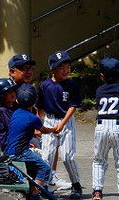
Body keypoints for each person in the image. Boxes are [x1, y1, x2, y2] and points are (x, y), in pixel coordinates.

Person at [36, 50, 83, 199]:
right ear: (52, 69)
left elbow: (73, 106)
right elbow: (40, 107)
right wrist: (38, 123)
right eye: (62, 68)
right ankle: (44, 187)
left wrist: (62, 123)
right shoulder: (45, 85)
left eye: (68, 67)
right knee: (47, 155)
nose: (66, 70)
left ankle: (76, 185)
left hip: (66, 122)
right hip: (50, 120)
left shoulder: (71, 84)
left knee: (67, 156)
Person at [91, 57, 119, 200]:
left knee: (99, 160)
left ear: (102, 76)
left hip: (101, 126)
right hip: (118, 126)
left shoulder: (99, 90)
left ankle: (97, 191)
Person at [5, 83, 59, 200]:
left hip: (10, 150)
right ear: (36, 100)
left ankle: (32, 191)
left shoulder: (16, 113)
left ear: (17, 101)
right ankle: (35, 196)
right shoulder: (33, 118)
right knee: (45, 168)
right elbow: (43, 130)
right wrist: (54, 129)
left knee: (34, 163)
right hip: (20, 152)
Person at [0, 53, 35, 144]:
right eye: (24, 69)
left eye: (30, 68)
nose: (29, 72)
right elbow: (10, 124)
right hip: (1, 143)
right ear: (12, 72)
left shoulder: (26, 90)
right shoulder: (2, 90)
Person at [0, 78, 17, 150]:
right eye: (9, 92)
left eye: (13, 91)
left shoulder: (11, 108)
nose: (13, 94)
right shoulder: (3, 111)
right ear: (1, 96)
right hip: (7, 145)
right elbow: (14, 128)